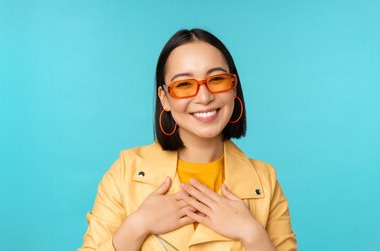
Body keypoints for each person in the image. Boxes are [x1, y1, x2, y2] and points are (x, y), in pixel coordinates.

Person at [78, 28, 297, 251]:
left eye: (217, 79)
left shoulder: (265, 180)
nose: (204, 97)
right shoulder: (126, 171)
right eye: (184, 84)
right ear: (164, 98)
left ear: (233, 88)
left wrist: (251, 233)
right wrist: (137, 226)